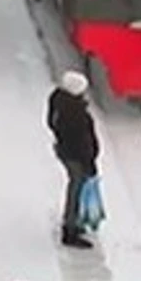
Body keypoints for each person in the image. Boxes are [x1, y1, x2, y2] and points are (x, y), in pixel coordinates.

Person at [48, 71, 100, 249]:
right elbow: (83, 141)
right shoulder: (76, 114)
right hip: (76, 157)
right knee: (76, 189)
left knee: (75, 187)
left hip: (65, 151)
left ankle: (73, 222)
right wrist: (90, 162)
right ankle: (70, 229)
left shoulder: (58, 101)